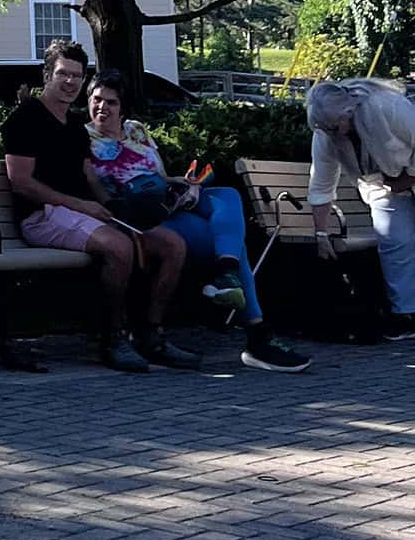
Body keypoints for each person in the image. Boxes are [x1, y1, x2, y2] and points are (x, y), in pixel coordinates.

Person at [84, 75, 308, 374]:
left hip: (168, 204)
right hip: (138, 218)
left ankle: (229, 279)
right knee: (233, 243)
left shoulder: (136, 130)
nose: (103, 107)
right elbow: (97, 190)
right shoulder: (83, 138)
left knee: (226, 195)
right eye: (96, 100)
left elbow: (160, 177)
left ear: (123, 107)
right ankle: (256, 333)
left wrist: (186, 186)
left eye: (111, 102)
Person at [1, 40, 197, 371]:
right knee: (119, 247)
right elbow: (21, 182)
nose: (70, 83)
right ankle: (112, 340)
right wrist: (80, 205)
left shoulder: (75, 128)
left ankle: (151, 335)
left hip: (82, 215)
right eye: (63, 74)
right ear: (47, 74)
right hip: (41, 217)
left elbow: (89, 177)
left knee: (172, 245)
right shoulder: (25, 118)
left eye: (77, 76)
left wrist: (116, 209)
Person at [308, 78, 415, 331]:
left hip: (407, 172)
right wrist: (321, 234)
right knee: (395, 239)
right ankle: (406, 314)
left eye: (335, 127)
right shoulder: (325, 133)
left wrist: (408, 178)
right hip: (380, 184)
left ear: (349, 112)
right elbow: (321, 184)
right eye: (326, 129)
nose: (333, 134)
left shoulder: (388, 106)